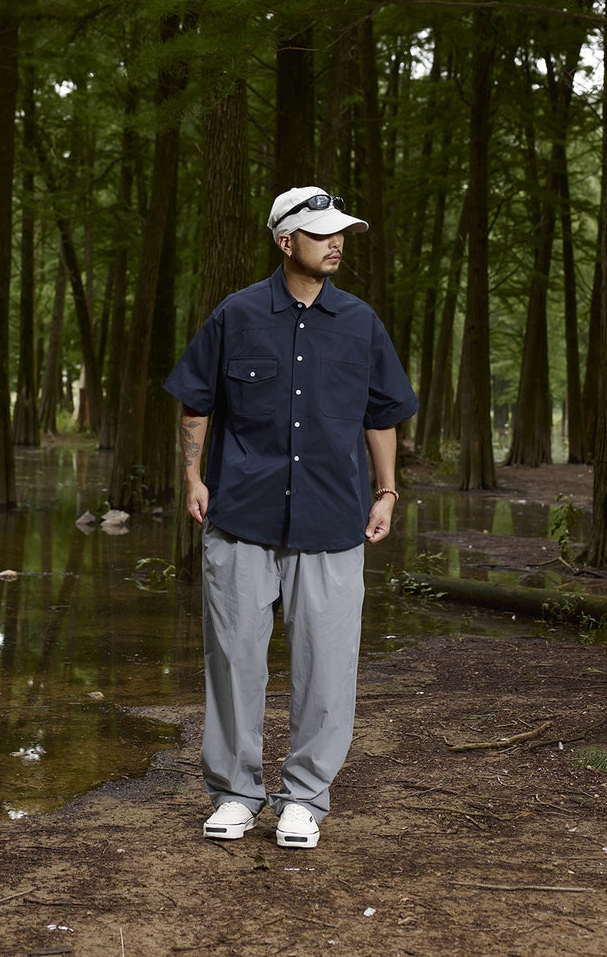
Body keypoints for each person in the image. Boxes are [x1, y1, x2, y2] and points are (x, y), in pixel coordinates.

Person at [163, 186, 418, 848]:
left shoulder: (360, 322)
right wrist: (192, 476)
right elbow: (196, 401)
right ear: (285, 241)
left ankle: (304, 798)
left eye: (341, 233)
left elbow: (383, 414)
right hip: (241, 517)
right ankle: (235, 794)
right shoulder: (236, 314)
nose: (337, 242)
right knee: (233, 661)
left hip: (332, 521)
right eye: (323, 232)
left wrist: (387, 492)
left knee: (327, 667)